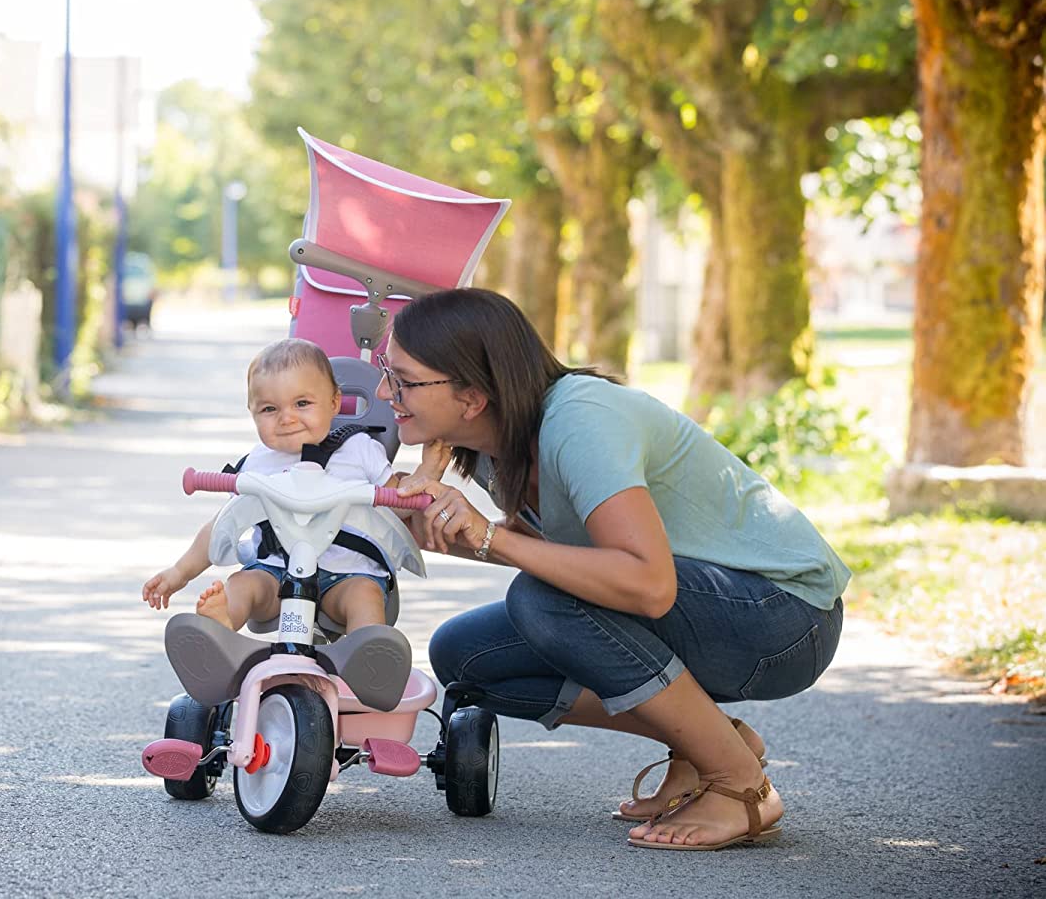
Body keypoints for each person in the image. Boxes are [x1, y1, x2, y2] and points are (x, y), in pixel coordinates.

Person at [386, 288, 848, 852]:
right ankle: (711, 747)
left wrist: (492, 536)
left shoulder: (581, 419)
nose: (389, 393)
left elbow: (648, 588)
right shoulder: (490, 445)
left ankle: (741, 788)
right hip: (708, 610)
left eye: (405, 380)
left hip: (783, 616)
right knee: (466, 657)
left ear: (473, 394)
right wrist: (438, 529)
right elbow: (559, 550)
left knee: (542, 601)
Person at [143, 338, 446, 633]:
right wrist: (179, 572)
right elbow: (223, 524)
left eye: (302, 403)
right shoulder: (257, 463)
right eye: (269, 410)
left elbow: (397, 506)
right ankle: (220, 629)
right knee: (242, 585)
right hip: (276, 573)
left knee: (364, 597)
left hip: (349, 572)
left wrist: (428, 471)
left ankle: (366, 655)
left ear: (334, 403)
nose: (287, 418)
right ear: (252, 413)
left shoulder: (359, 449)